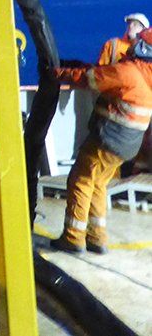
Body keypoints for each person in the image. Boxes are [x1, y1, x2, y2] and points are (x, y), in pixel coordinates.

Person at [50, 27, 152, 254]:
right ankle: (97, 238)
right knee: (98, 184)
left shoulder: (129, 71)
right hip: (126, 147)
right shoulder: (145, 76)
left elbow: (92, 80)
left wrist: (58, 73)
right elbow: (106, 73)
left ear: (144, 48)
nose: (133, 43)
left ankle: (73, 238)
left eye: (139, 41)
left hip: (108, 141)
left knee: (80, 180)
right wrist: (78, 64)